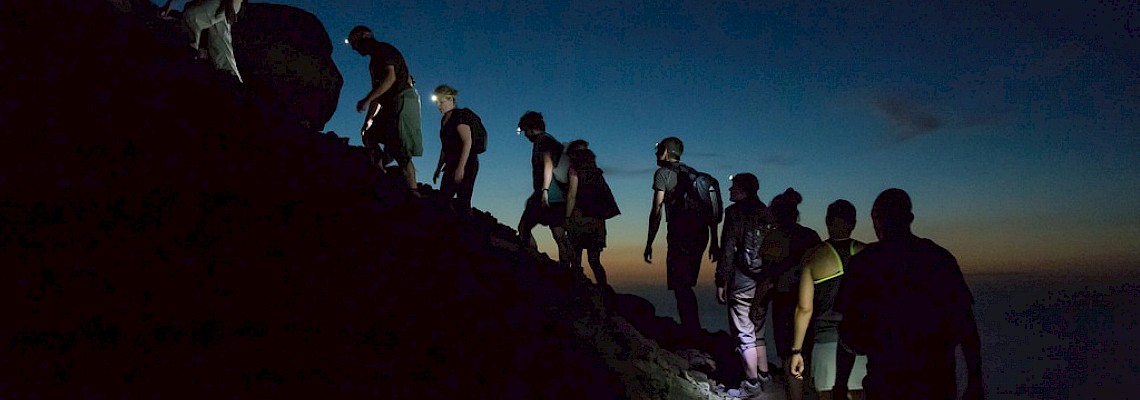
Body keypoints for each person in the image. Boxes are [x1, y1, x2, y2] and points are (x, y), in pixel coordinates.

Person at [834, 189, 985, 400]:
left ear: (877, 220)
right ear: (909, 218)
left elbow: (848, 334)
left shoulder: (864, 264)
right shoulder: (939, 259)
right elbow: (966, 324)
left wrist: (840, 385)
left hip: (885, 383)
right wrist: (975, 379)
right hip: (936, 383)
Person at [788, 200, 869, 400]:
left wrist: (796, 350)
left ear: (827, 221)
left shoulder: (813, 256)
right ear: (854, 223)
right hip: (863, 342)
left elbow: (804, 309)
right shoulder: (868, 253)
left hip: (826, 342)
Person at [644, 137, 720, 336]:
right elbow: (711, 212)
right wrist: (714, 241)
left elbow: (656, 210)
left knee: (680, 285)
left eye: (659, 150)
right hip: (701, 235)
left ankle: (691, 330)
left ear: (667, 152)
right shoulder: (694, 175)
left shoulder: (663, 174)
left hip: (680, 234)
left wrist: (649, 242)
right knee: (686, 284)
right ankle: (692, 327)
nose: (656, 154)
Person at [716, 173, 776, 397]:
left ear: (743, 190)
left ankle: (751, 384)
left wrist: (721, 280)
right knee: (758, 328)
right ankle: (763, 375)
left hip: (742, 280)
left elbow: (728, 249)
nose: (730, 190)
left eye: (733, 187)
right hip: (765, 280)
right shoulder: (767, 212)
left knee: (744, 332)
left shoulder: (734, 213)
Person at [347, 25, 423, 197]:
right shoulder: (374, 61)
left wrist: (366, 100)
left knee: (400, 146)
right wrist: (368, 121)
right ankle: (379, 173)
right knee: (370, 134)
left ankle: (414, 193)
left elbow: (390, 78)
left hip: (403, 99)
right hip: (389, 103)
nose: (353, 47)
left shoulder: (383, 50)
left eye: (354, 42)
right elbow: (378, 95)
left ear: (363, 37)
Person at [761, 188, 821, 400]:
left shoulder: (773, 238)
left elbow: (768, 278)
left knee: (789, 355)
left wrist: (757, 304)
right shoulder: (811, 236)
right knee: (807, 351)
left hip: (785, 302)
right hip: (812, 302)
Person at [516, 111, 570, 264]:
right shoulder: (552, 140)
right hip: (559, 194)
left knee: (524, 227)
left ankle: (533, 261)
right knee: (559, 233)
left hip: (547, 193)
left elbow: (548, 164)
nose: (525, 135)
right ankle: (570, 269)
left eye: (524, 130)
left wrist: (544, 190)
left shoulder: (542, 141)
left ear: (530, 128)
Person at [564, 140, 620, 287]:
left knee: (575, 258)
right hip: (597, 221)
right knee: (594, 260)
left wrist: (567, 217)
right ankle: (604, 289)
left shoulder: (574, 170)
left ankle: (577, 289)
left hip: (579, 218)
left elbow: (572, 196)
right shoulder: (596, 173)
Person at [430, 85, 480, 214]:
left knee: (463, 200)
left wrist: (461, 168)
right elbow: (445, 147)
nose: (439, 106)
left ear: (451, 99)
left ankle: (466, 229)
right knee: (444, 198)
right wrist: (438, 168)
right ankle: (449, 227)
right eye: (437, 103)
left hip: (467, 163)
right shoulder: (444, 120)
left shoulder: (459, 116)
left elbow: (467, 141)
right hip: (452, 163)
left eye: (442, 102)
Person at [170, 0, 244, 82]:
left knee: (191, 18)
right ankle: (232, 78)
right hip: (228, 4)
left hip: (225, 3)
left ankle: (190, 57)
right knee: (220, 41)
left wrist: (228, 6)